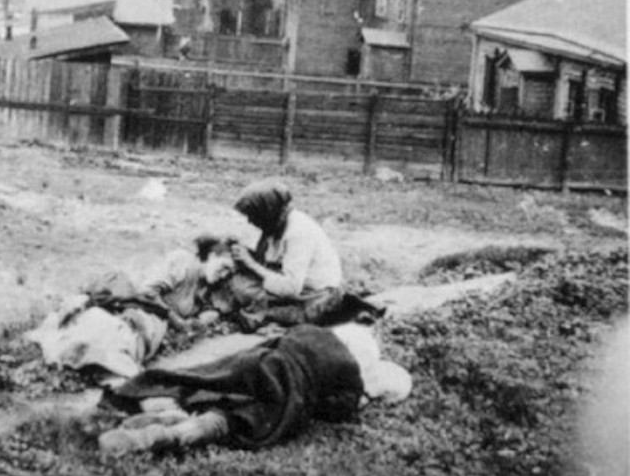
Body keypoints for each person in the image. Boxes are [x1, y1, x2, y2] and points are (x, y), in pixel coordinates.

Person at [98, 322, 412, 455]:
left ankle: (165, 410)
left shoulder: (313, 333)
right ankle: (165, 435)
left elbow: (272, 341)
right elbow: (335, 409)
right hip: (287, 384)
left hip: (260, 359)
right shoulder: (350, 378)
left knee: (210, 382)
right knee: (243, 417)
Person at [26, 237, 237, 380]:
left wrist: (205, 317)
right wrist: (176, 320)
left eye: (229, 274)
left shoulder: (201, 291)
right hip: (143, 312)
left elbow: (206, 314)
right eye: (224, 266)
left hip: (155, 327)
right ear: (210, 255)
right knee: (119, 336)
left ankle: (89, 358)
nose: (225, 275)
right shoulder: (184, 261)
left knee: (132, 346)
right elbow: (148, 291)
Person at [228, 179, 382, 330]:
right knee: (238, 285)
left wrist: (252, 264)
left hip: (317, 296)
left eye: (254, 216)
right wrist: (245, 255)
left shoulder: (298, 232)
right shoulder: (276, 225)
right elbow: (270, 261)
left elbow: (291, 287)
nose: (250, 221)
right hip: (298, 288)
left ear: (267, 213)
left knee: (246, 296)